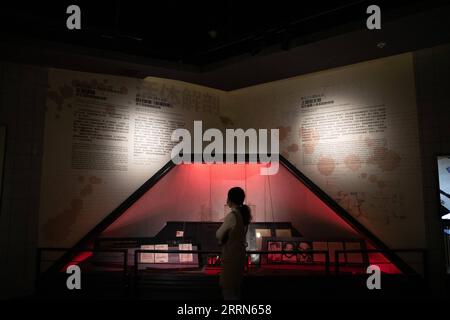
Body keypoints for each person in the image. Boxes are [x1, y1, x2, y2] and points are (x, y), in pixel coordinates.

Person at [216, 187, 251, 300]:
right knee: (236, 291)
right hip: (239, 258)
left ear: (230, 199)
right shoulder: (243, 215)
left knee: (228, 292)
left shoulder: (232, 216)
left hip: (230, 258)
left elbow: (219, 234)